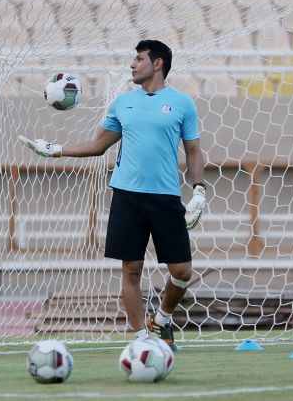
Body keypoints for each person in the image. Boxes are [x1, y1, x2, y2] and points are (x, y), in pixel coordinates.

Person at [19, 39, 207, 350]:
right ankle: (142, 340)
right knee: (131, 269)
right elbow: (97, 145)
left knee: (182, 272)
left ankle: (162, 318)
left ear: (157, 63)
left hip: (165, 197)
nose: (132, 64)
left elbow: (194, 151)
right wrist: (54, 149)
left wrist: (199, 190)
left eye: (139, 59)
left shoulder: (183, 103)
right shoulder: (123, 103)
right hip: (127, 196)